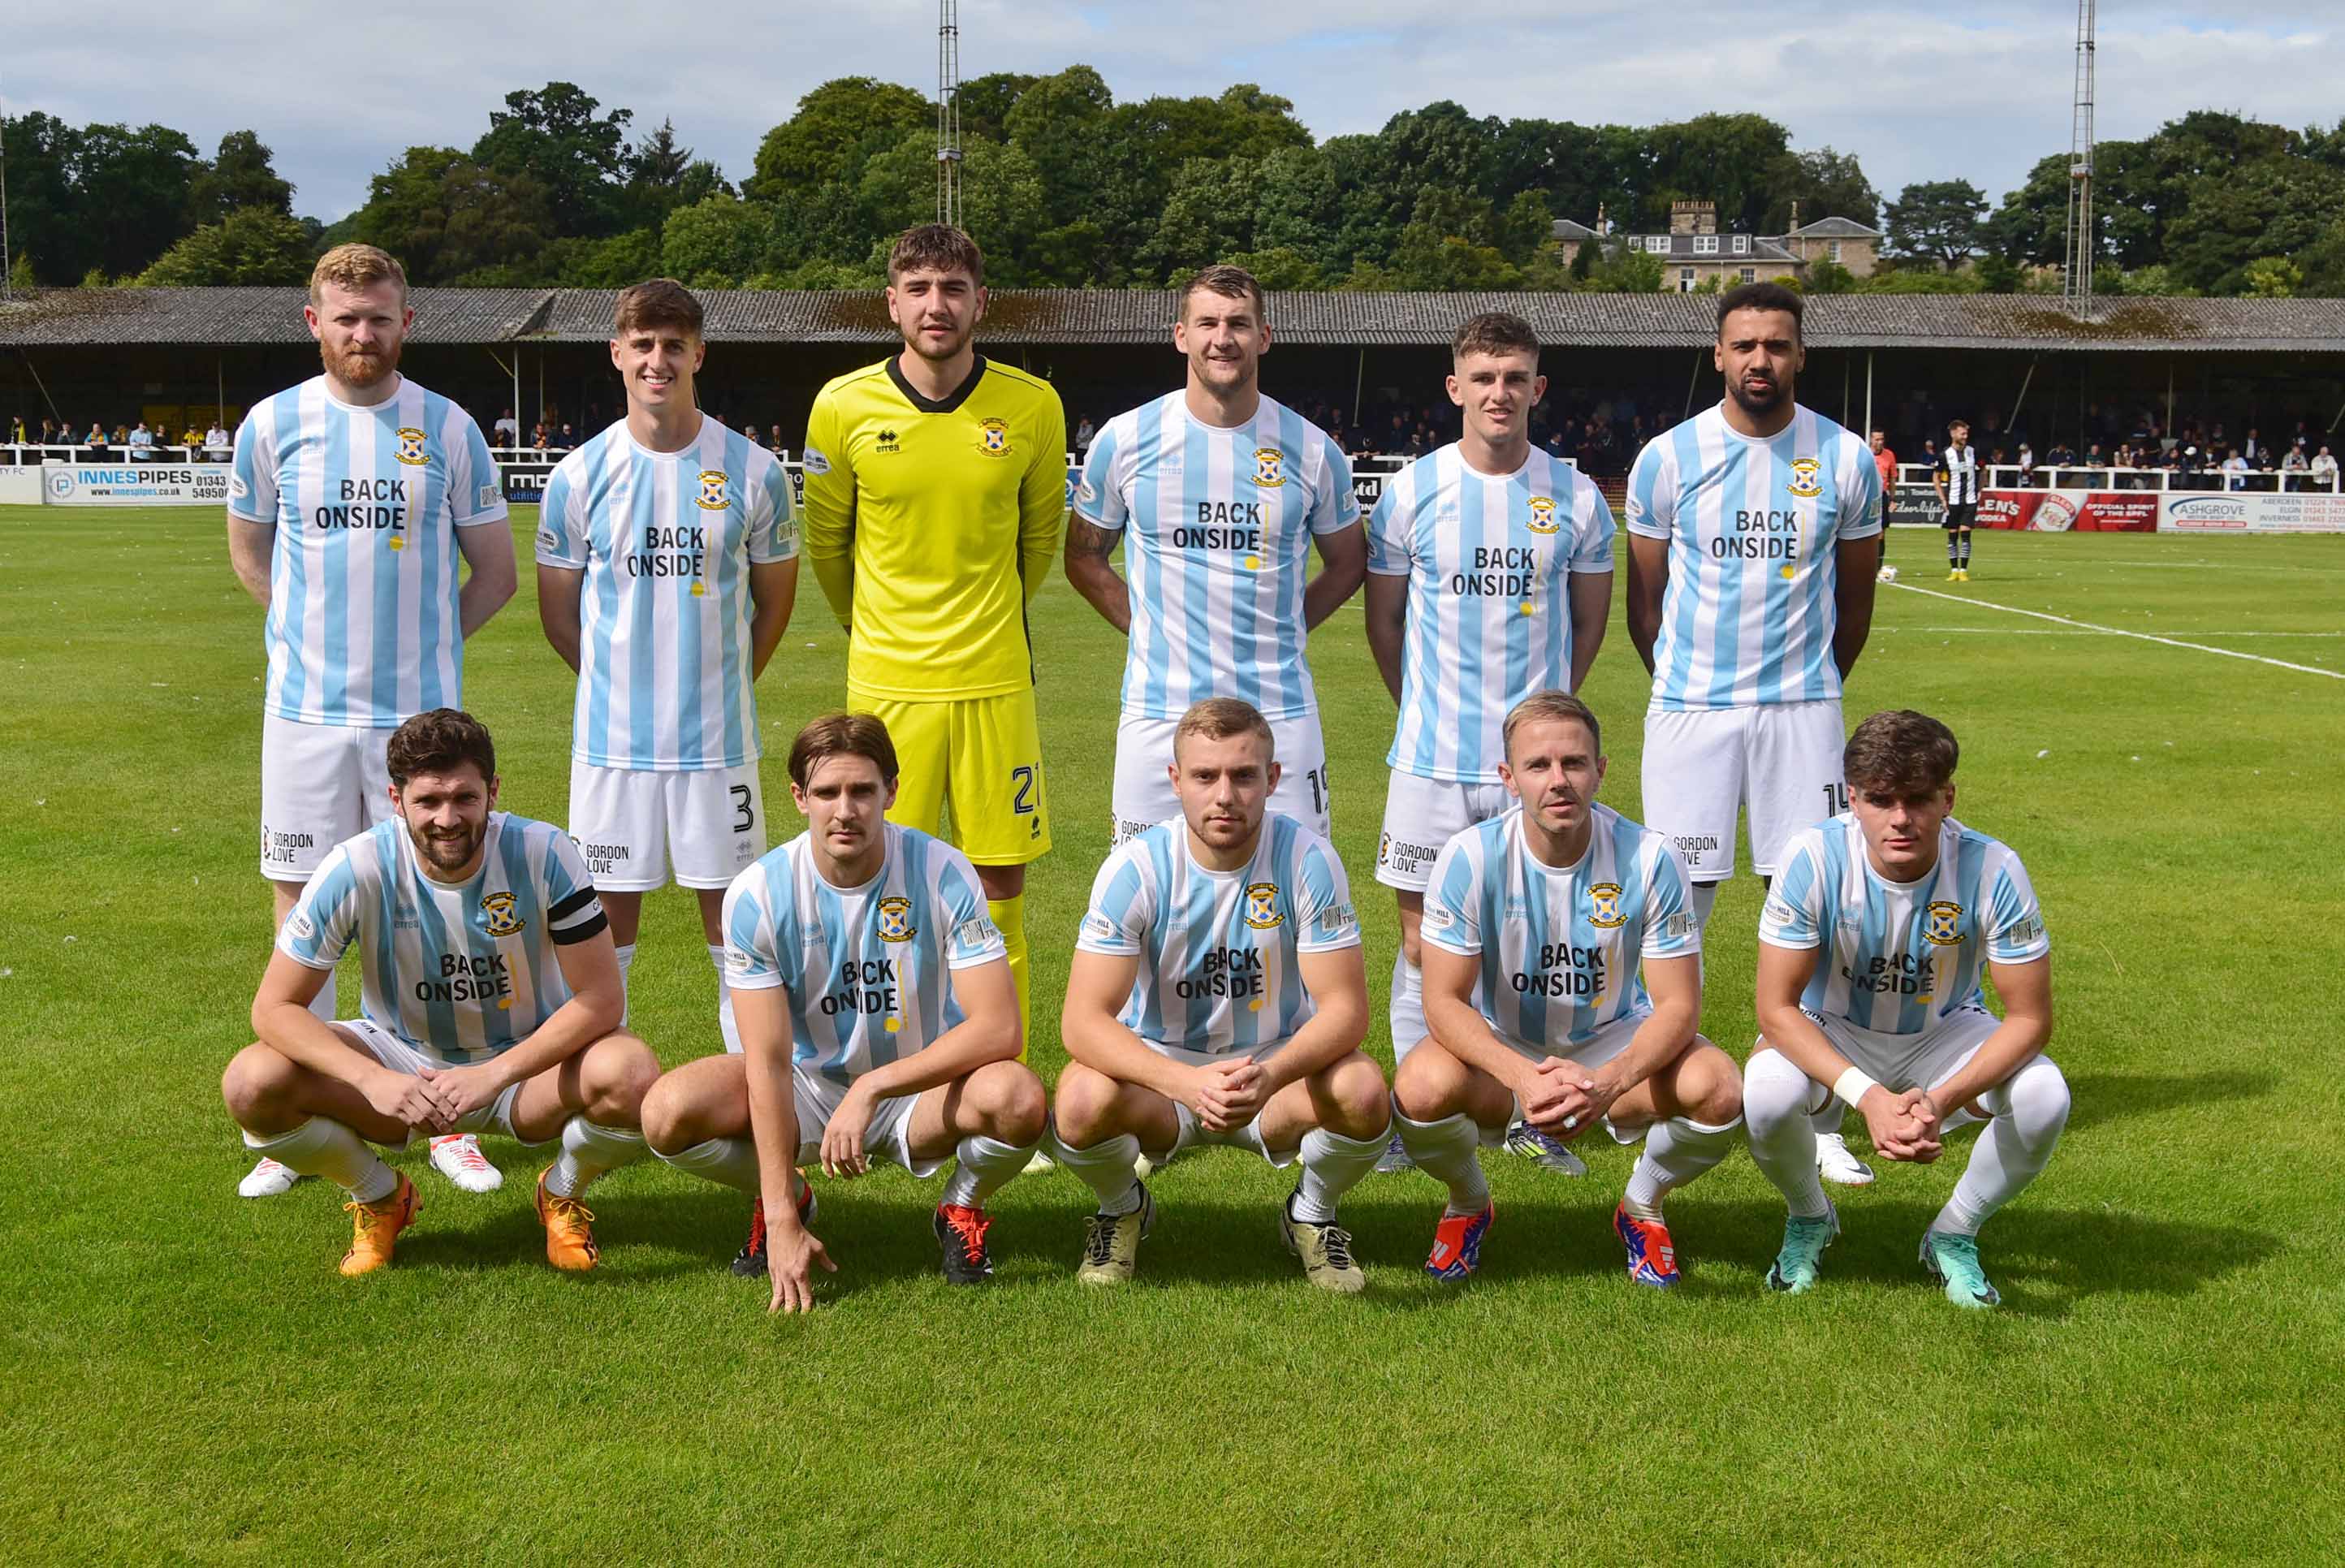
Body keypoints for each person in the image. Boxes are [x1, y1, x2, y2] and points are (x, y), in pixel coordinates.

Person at [226, 244, 518, 1201]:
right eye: (346, 318)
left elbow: (497, 574)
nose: (363, 333)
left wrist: (426, 655)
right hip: (305, 714)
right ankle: (309, 1113)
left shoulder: (448, 426)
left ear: (407, 322)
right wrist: (309, 647)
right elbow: (253, 560)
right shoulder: (272, 425)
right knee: (302, 907)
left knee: (429, 910)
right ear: (314, 322)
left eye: (380, 316)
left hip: (417, 721)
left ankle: (438, 1119)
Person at [219, 709, 658, 1276]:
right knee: (252, 1083)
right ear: (395, 799)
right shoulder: (356, 866)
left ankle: (562, 1191)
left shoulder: (544, 853)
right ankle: (380, 1196)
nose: (447, 818)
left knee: (633, 1075)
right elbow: (273, 1008)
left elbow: (601, 998)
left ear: (492, 791)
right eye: (428, 800)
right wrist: (374, 1079)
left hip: (525, 1064)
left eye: (464, 797)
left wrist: (492, 1075)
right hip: (401, 1058)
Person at [640, 714, 1045, 1307]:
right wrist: (780, 1215)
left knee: (1020, 1097)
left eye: (862, 790)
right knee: (665, 1112)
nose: (845, 809)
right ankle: (787, 1197)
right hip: (807, 1090)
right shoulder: (758, 894)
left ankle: (961, 1204)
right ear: (800, 797)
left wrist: (874, 1087)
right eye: (827, 792)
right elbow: (770, 1062)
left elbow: (999, 1027)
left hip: (917, 1090)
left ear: (892, 791)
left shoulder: (943, 871)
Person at [1622, 282, 1881, 1189]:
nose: (1759, 360)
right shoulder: (1668, 457)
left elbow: (1854, 604)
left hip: (1800, 714)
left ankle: (1817, 1112)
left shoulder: (1845, 460)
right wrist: (1692, 690)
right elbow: (1642, 605)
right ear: (1718, 352)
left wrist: (1806, 692)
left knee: (1811, 903)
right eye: (1743, 345)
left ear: (1799, 354)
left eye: (1776, 344)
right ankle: (1659, 1081)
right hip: (1689, 713)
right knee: (1674, 902)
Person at [1363, 311, 1614, 1177]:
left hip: (1534, 770)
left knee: (1529, 939)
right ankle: (1413, 1111)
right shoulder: (1409, 492)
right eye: (1483, 376)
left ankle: (1527, 1113)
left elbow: (1588, 625)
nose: (1498, 392)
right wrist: (1426, 711)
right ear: (1454, 387)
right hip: (1431, 759)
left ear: (1537, 389)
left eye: (1515, 377)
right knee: (1419, 944)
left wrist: (1540, 728)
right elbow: (1384, 623)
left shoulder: (1576, 497)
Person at [534, 279, 799, 1097]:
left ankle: (750, 1097)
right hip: (612, 748)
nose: (657, 358)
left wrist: (714, 686)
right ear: (617, 354)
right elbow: (559, 616)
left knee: (734, 930)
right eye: (641, 343)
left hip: (717, 747)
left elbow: (773, 603)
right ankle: (599, 1095)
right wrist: (626, 688)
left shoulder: (753, 471)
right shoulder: (579, 475)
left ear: (698, 353)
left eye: (672, 343)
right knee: (604, 938)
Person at [801, 224, 1066, 1033]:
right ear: (891, 302)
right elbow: (827, 544)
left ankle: (1000, 1081)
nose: (935, 305)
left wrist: (986, 622)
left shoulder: (1031, 405)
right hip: (886, 688)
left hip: (992, 682)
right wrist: (872, 628)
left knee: (998, 888)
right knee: (882, 883)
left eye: (951, 288)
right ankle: (894, 1064)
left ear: (980, 301)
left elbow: (1038, 541)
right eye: (916, 289)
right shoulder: (842, 405)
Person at [1394, 693, 1741, 1285]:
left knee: (1719, 1089)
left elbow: (1679, 1005)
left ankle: (1642, 1206)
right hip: (1504, 1049)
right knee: (1420, 1088)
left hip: (1610, 1045)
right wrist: (1523, 1077)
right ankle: (1468, 1203)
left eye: (1575, 763)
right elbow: (1442, 1001)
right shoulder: (1470, 856)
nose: (1559, 781)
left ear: (1601, 769)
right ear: (1508, 778)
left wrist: (1607, 1084)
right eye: (1538, 766)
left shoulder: (1651, 858)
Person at [1053, 698, 1388, 1292]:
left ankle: (1311, 1212)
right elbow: (1082, 1022)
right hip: (1165, 1078)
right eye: (1206, 776)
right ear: (1176, 781)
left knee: (1363, 1091)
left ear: (1274, 779)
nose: (1225, 795)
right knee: (1078, 1100)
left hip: (1273, 1073)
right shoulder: (1137, 867)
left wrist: (1271, 1073)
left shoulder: (1308, 859)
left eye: (1244, 775)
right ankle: (1122, 1206)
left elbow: (1346, 1010)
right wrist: (1184, 1084)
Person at [1747, 711, 2066, 1309]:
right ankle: (1810, 1215)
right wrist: (1869, 1098)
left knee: (2045, 1096)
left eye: (1918, 799)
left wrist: (1940, 1099)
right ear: (1852, 797)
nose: (1899, 818)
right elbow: (1776, 1009)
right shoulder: (1811, 857)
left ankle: (1954, 1230)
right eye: (1880, 798)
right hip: (1832, 1024)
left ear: (1948, 797)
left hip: (1944, 1029)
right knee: (1764, 1094)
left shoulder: (1993, 866)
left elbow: (2030, 1018)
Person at [1065, 262, 1363, 846]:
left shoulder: (1311, 450)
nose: (1222, 338)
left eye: (1238, 323)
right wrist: (1147, 626)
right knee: (1143, 894)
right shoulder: (1124, 440)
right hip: (1159, 711)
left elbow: (1349, 561)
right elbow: (1083, 557)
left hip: (1280, 709)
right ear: (1182, 335)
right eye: (1207, 322)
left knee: (1297, 888)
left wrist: (1289, 625)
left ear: (1265, 336)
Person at [1933, 419, 1980, 581]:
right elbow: (1936, 477)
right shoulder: (1945, 455)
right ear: (1953, 434)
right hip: (1953, 500)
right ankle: (1953, 570)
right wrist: (1942, 498)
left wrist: (1980, 489)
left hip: (1970, 500)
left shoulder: (1973, 451)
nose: (1966, 436)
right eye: (1962, 433)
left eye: (1966, 433)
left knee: (1966, 535)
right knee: (1953, 535)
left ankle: (1963, 571)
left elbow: (1984, 469)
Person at [1868, 429, 1897, 533]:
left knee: (1881, 531)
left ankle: (1879, 549)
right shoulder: (1865, 452)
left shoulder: (1889, 455)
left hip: (1882, 495)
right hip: (1867, 495)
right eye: (1877, 439)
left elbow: (1892, 478)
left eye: (1882, 439)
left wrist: (1892, 499)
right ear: (1871, 439)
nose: (1880, 442)